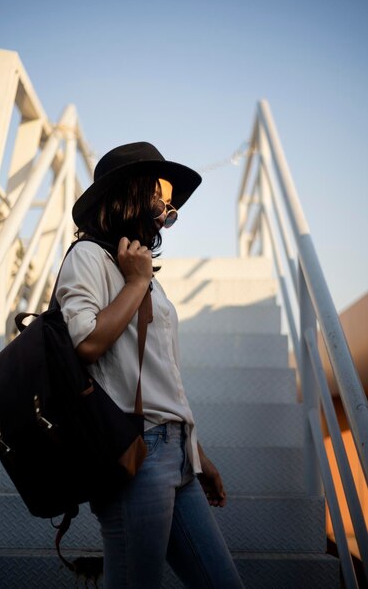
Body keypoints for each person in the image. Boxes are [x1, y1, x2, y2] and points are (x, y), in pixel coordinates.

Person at [56, 142, 244, 589]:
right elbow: (85, 343)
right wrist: (137, 281)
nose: (165, 213)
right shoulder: (89, 258)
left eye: (171, 209)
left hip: (175, 453)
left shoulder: (143, 273)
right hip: (133, 453)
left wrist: (196, 453)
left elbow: (160, 378)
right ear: (129, 192)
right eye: (161, 198)